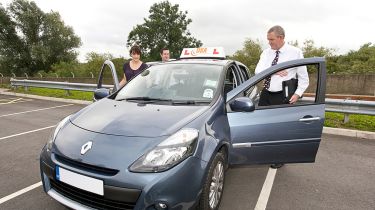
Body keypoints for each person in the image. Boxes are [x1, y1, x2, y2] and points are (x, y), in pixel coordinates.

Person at [255, 25, 309, 106]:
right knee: (261, 118)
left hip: (283, 96)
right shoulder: (266, 53)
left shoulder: (295, 53)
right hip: (265, 94)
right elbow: (258, 72)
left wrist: (297, 94)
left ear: (281, 37)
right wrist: (275, 71)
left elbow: (304, 78)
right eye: (268, 39)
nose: (269, 42)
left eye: (271, 39)